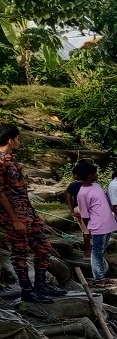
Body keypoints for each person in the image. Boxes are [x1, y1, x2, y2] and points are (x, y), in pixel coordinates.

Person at [0, 126, 63, 302]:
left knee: (43, 247)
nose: (19, 142)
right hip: (14, 216)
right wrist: (14, 219)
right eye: (17, 138)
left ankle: (41, 285)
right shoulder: (1, 161)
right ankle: (27, 290)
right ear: (11, 140)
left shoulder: (11, 160)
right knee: (19, 252)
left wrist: (32, 214)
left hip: (27, 213)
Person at [73, 161, 116, 285]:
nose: (97, 175)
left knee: (101, 251)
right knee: (97, 252)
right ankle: (99, 278)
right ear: (89, 175)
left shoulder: (96, 186)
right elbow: (84, 214)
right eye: (95, 173)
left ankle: (101, 275)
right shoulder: (82, 194)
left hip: (108, 224)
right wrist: (89, 228)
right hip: (98, 226)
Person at [64, 172, 89, 259]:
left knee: (86, 231)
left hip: (78, 209)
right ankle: (87, 252)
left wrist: (72, 212)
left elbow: (68, 199)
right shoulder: (90, 184)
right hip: (88, 209)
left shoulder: (72, 185)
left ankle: (87, 253)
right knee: (88, 231)